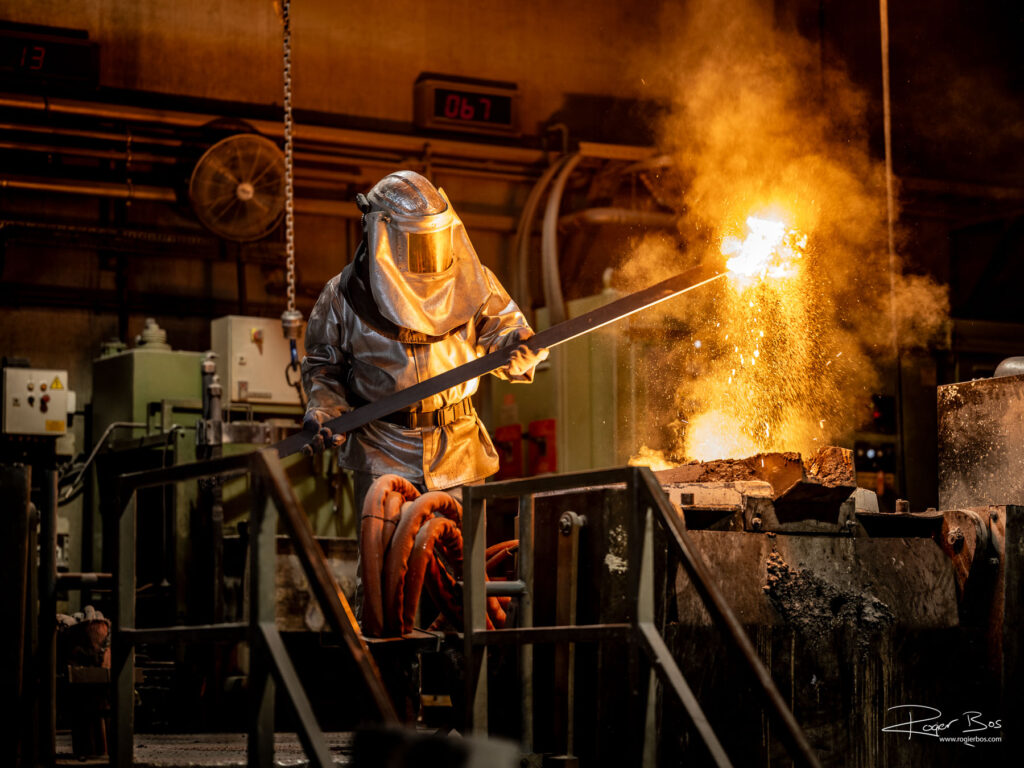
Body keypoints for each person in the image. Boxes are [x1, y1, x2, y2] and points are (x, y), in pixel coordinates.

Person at [301, 170, 547, 507]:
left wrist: (519, 347)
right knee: (385, 556)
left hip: (458, 447)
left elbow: (504, 332)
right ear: (381, 235)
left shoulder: (476, 282)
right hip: (382, 449)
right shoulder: (343, 295)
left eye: (434, 240)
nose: (428, 255)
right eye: (416, 243)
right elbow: (323, 366)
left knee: (459, 555)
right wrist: (326, 407)